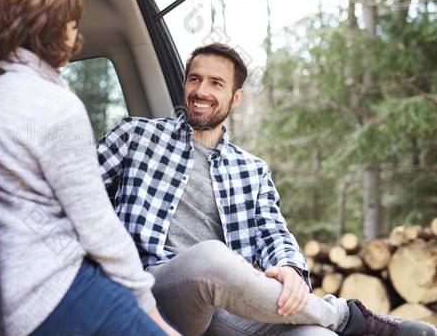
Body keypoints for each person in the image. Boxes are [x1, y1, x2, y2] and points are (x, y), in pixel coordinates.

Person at [97, 42, 436, 336]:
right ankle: (346, 316)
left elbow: (273, 232)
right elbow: (78, 190)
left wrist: (289, 266)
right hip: (153, 290)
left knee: (315, 332)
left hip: (225, 311)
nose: (201, 91)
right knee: (212, 257)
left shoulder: (252, 169)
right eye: (195, 79)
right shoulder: (136, 136)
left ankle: (333, 322)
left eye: (216, 83)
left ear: (236, 97)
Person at [0, 0, 178, 336]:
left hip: (7, 306)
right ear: (47, 24)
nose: (75, 32)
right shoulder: (53, 105)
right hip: (60, 291)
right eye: (71, 20)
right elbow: (98, 227)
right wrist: (149, 311)